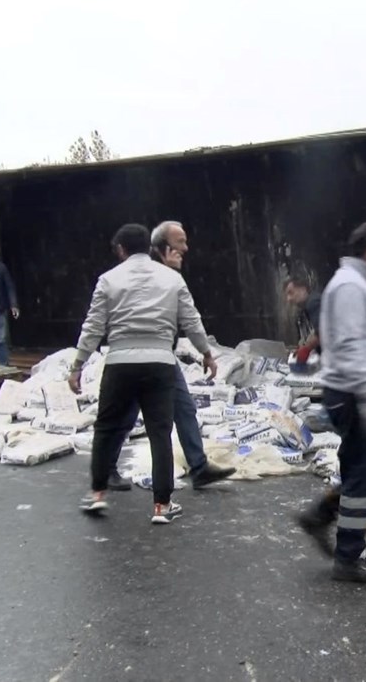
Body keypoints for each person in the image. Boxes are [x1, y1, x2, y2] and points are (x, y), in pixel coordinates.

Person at [70, 224, 218, 524]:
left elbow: (93, 326)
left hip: (120, 362)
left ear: (121, 249)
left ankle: (98, 495)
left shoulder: (108, 279)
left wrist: (77, 365)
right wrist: (206, 353)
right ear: (149, 247)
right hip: (160, 363)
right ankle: (162, 506)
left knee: (107, 428)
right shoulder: (172, 278)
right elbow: (191, 320)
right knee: (159, 434)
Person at [95, 220, 234, 492]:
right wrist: (206, 353)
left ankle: (199, 466)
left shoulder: (166, 273)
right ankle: (108, 468)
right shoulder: (154, 273)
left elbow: (188, 317)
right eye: (180, 243)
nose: (186, 247)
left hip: (161, 358)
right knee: (129, 416)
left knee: (183, 408)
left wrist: (205, 351)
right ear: (162, 247)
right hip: (144, 359)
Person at [297, 221, 366, 584]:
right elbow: (352, 345)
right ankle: (349, 558)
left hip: (355, 393)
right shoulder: (351, 287)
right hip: (354, 394)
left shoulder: (353, 284)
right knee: (365, 474)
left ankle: (320, 515)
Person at [284, 276, 321, 370]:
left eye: (291, 293)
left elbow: (322, 331)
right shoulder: (306, 308)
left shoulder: (313, 303)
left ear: (303, 289)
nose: (289, 299)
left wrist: (306, 349)